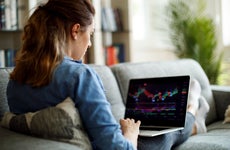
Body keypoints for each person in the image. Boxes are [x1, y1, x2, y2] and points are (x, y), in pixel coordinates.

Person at [6, 0, 208, 149]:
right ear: (75, 30)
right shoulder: (79, 75)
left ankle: (192, 114)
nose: (90, 43)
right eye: (90, 34)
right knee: (165, 136)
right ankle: (192, 110)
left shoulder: (15, 80)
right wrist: (129, 134)